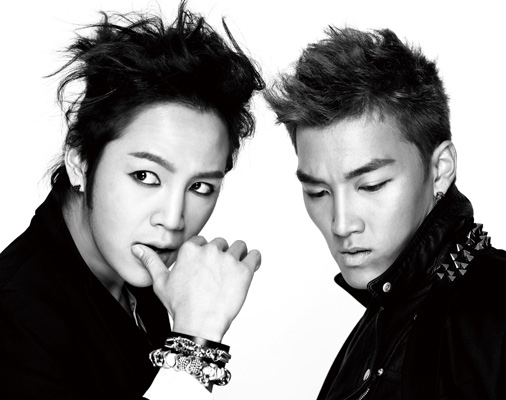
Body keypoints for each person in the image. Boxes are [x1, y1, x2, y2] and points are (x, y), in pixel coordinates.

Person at [0, 2, 264, 399]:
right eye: (145, 176)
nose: (173, 220)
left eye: (200, 187)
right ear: (80, 161)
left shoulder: (136, 284)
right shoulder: (15, 318)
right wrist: (194, 341)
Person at [264, 27, 506, 399]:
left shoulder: (495, 309)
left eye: (372, 185)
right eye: (318, 192)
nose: (342, 224)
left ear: (440, 169)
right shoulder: (377, 325)